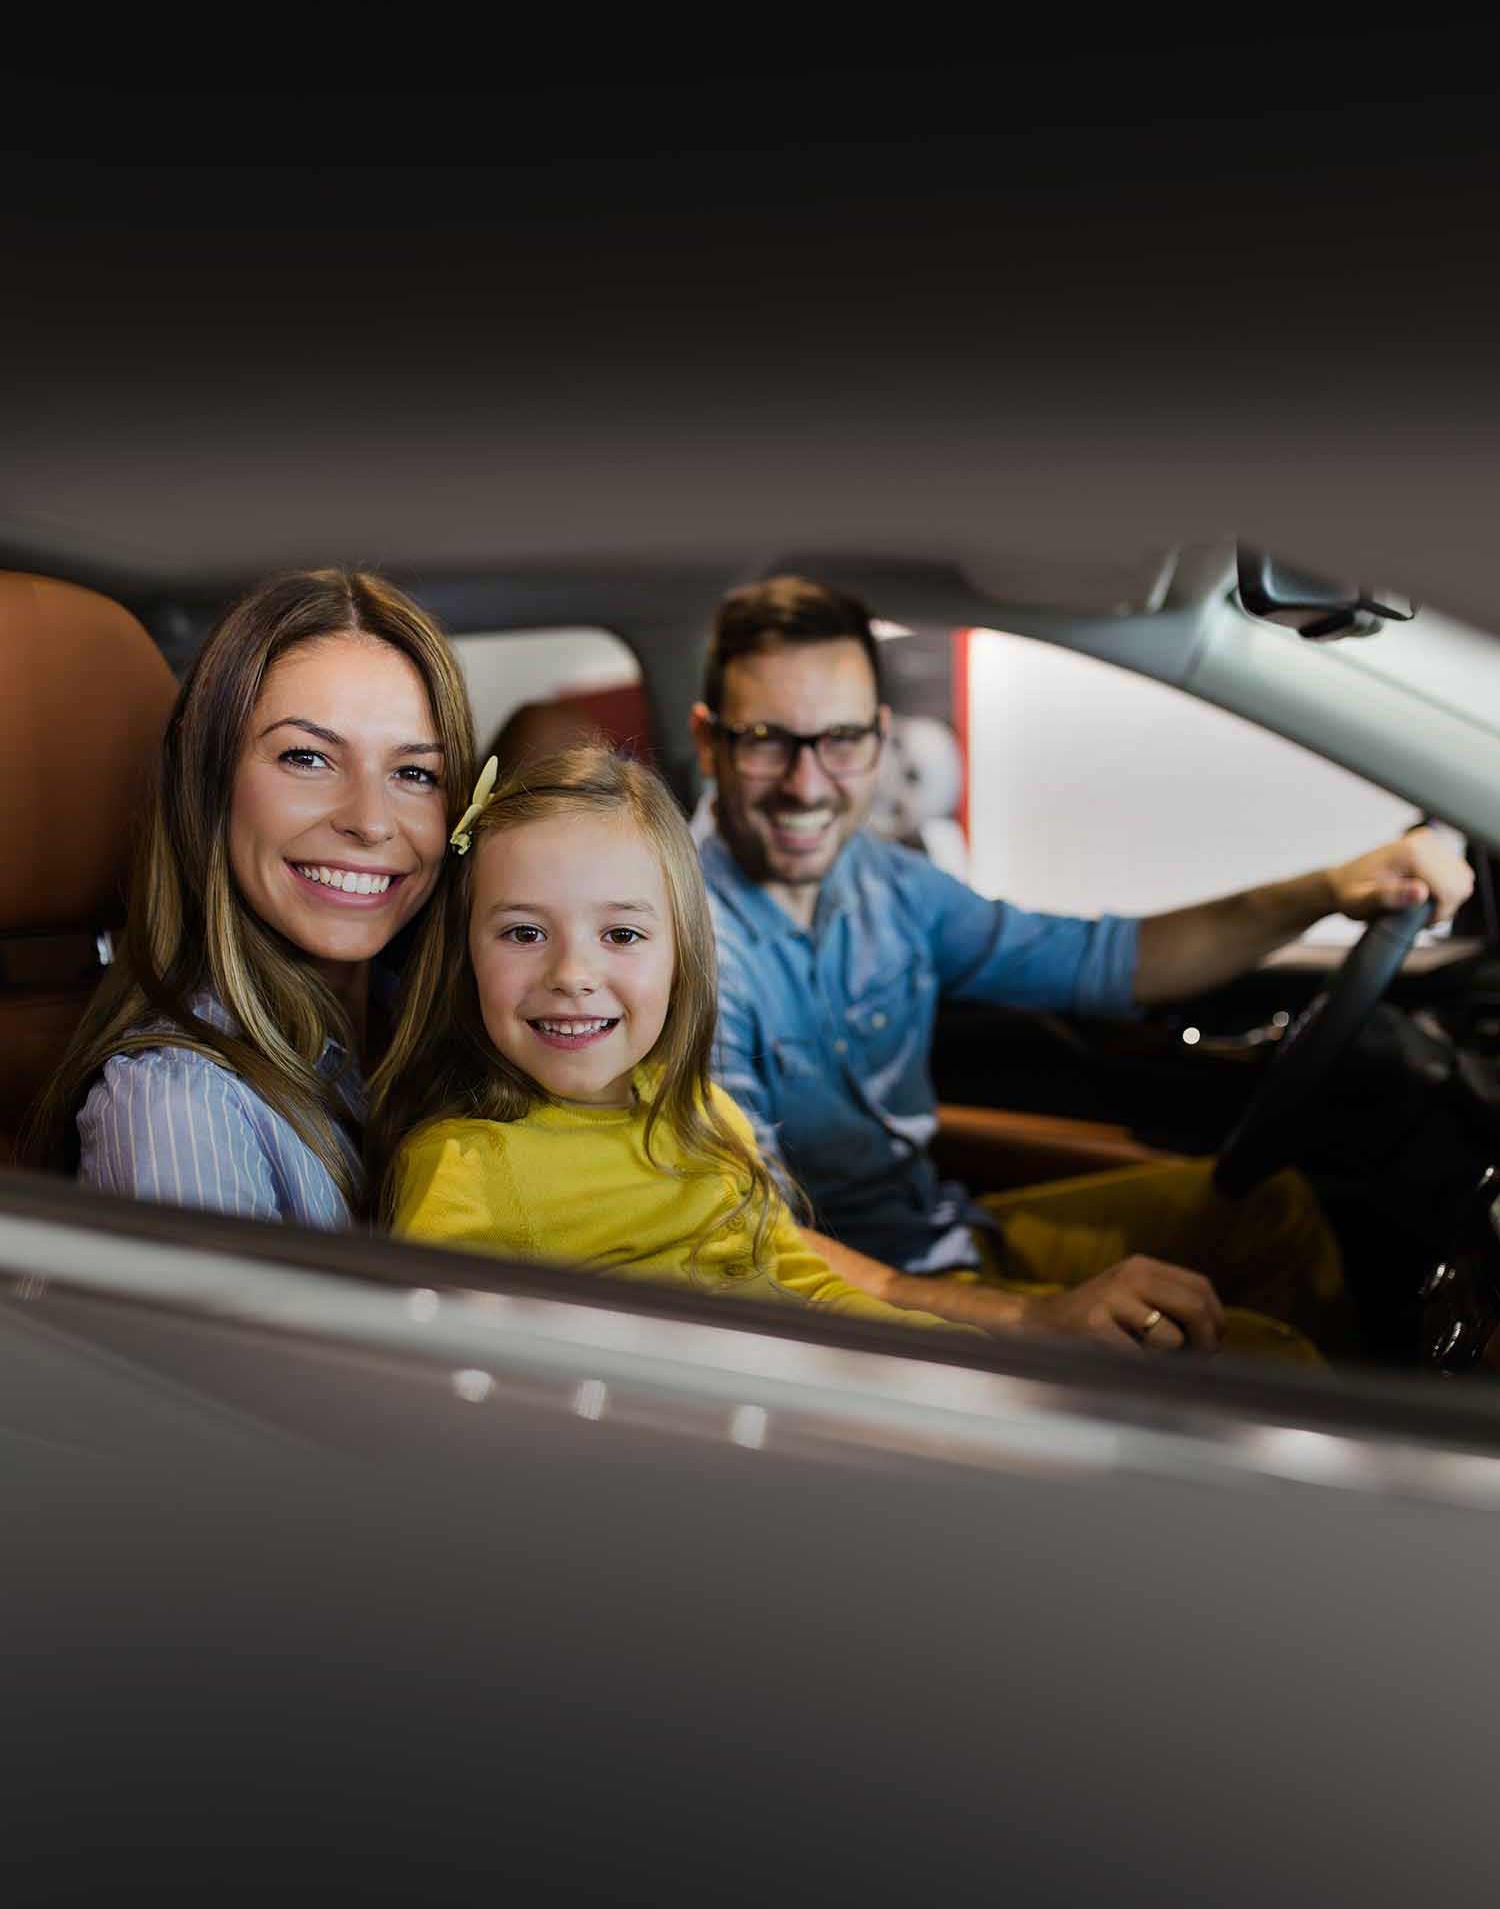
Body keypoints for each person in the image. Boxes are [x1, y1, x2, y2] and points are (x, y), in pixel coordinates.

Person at [692, 576, 1474, 1358]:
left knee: (1272, 1209)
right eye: (765, 740)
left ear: (880, 737)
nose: (806, 785)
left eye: (840, 739)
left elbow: (1108, 961)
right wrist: (1027, 1318)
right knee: (1273, 1360)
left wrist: (1330, 888)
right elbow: (758, 1245)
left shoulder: (885, 883)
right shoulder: (683, 948)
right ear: (707, 742)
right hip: (855, 1317)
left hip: (942, 1237)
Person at [380, 745, 943, 1327]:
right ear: (466, 957)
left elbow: (802, 1280)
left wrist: (943, 1347)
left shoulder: (705, 1112)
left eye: (621, 935)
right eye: (524, 933)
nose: (571, 974)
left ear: (681, 953)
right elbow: (449, 1359)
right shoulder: (466, 1171)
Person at [23, 567, 476, 1225]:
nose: (371, 821)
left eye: (414, 772)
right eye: (306, 758)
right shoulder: (179, 1108)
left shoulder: (445, 1030)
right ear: (210, 783)